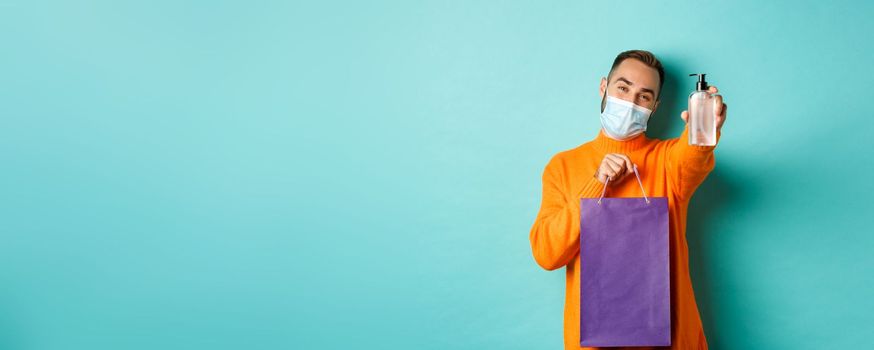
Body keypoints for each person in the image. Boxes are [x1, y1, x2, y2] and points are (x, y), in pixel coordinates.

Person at [528, 49, 727, 350]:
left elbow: (692, 155)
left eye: (644, 97)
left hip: (673, 341)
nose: (631, 102)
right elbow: (547, 253)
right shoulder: (563, 166)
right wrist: (595, 185)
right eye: (623, 88)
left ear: (655, 106)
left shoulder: (667, 161)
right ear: (603, 87)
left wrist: (703, 133)